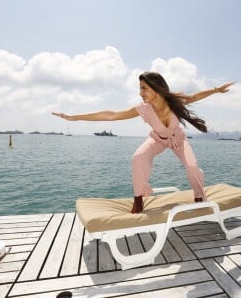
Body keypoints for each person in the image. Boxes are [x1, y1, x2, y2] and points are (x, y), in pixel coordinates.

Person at [52, 72, 234, 213]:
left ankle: (199, 197)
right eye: (140, 89)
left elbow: (194, 97)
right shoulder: (144, 110)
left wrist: (217, 89)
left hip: (178, 139)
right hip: (157, 140)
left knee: (193, 168)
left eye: (144, 88)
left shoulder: (173, 101)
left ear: (156, 88)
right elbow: (111, 115)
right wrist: (73, 118)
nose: (140, 93)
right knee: (138, 157)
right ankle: (138, 199)